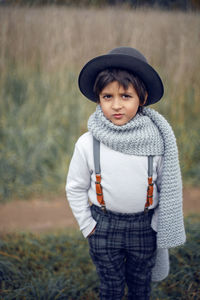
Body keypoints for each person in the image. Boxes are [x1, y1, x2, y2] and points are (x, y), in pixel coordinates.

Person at [66, 47, 186, 300]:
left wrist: (155, 224)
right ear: (98, 99)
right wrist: (87, 225)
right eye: (107, 96)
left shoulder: (157, 142)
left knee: (140, 285)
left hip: (144, 227)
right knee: (110, 285)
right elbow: (75, 187)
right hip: (103, 226)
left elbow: (168, 188)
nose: (116, 105)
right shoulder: (88, 143)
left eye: (126, 96)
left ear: (141, 98)